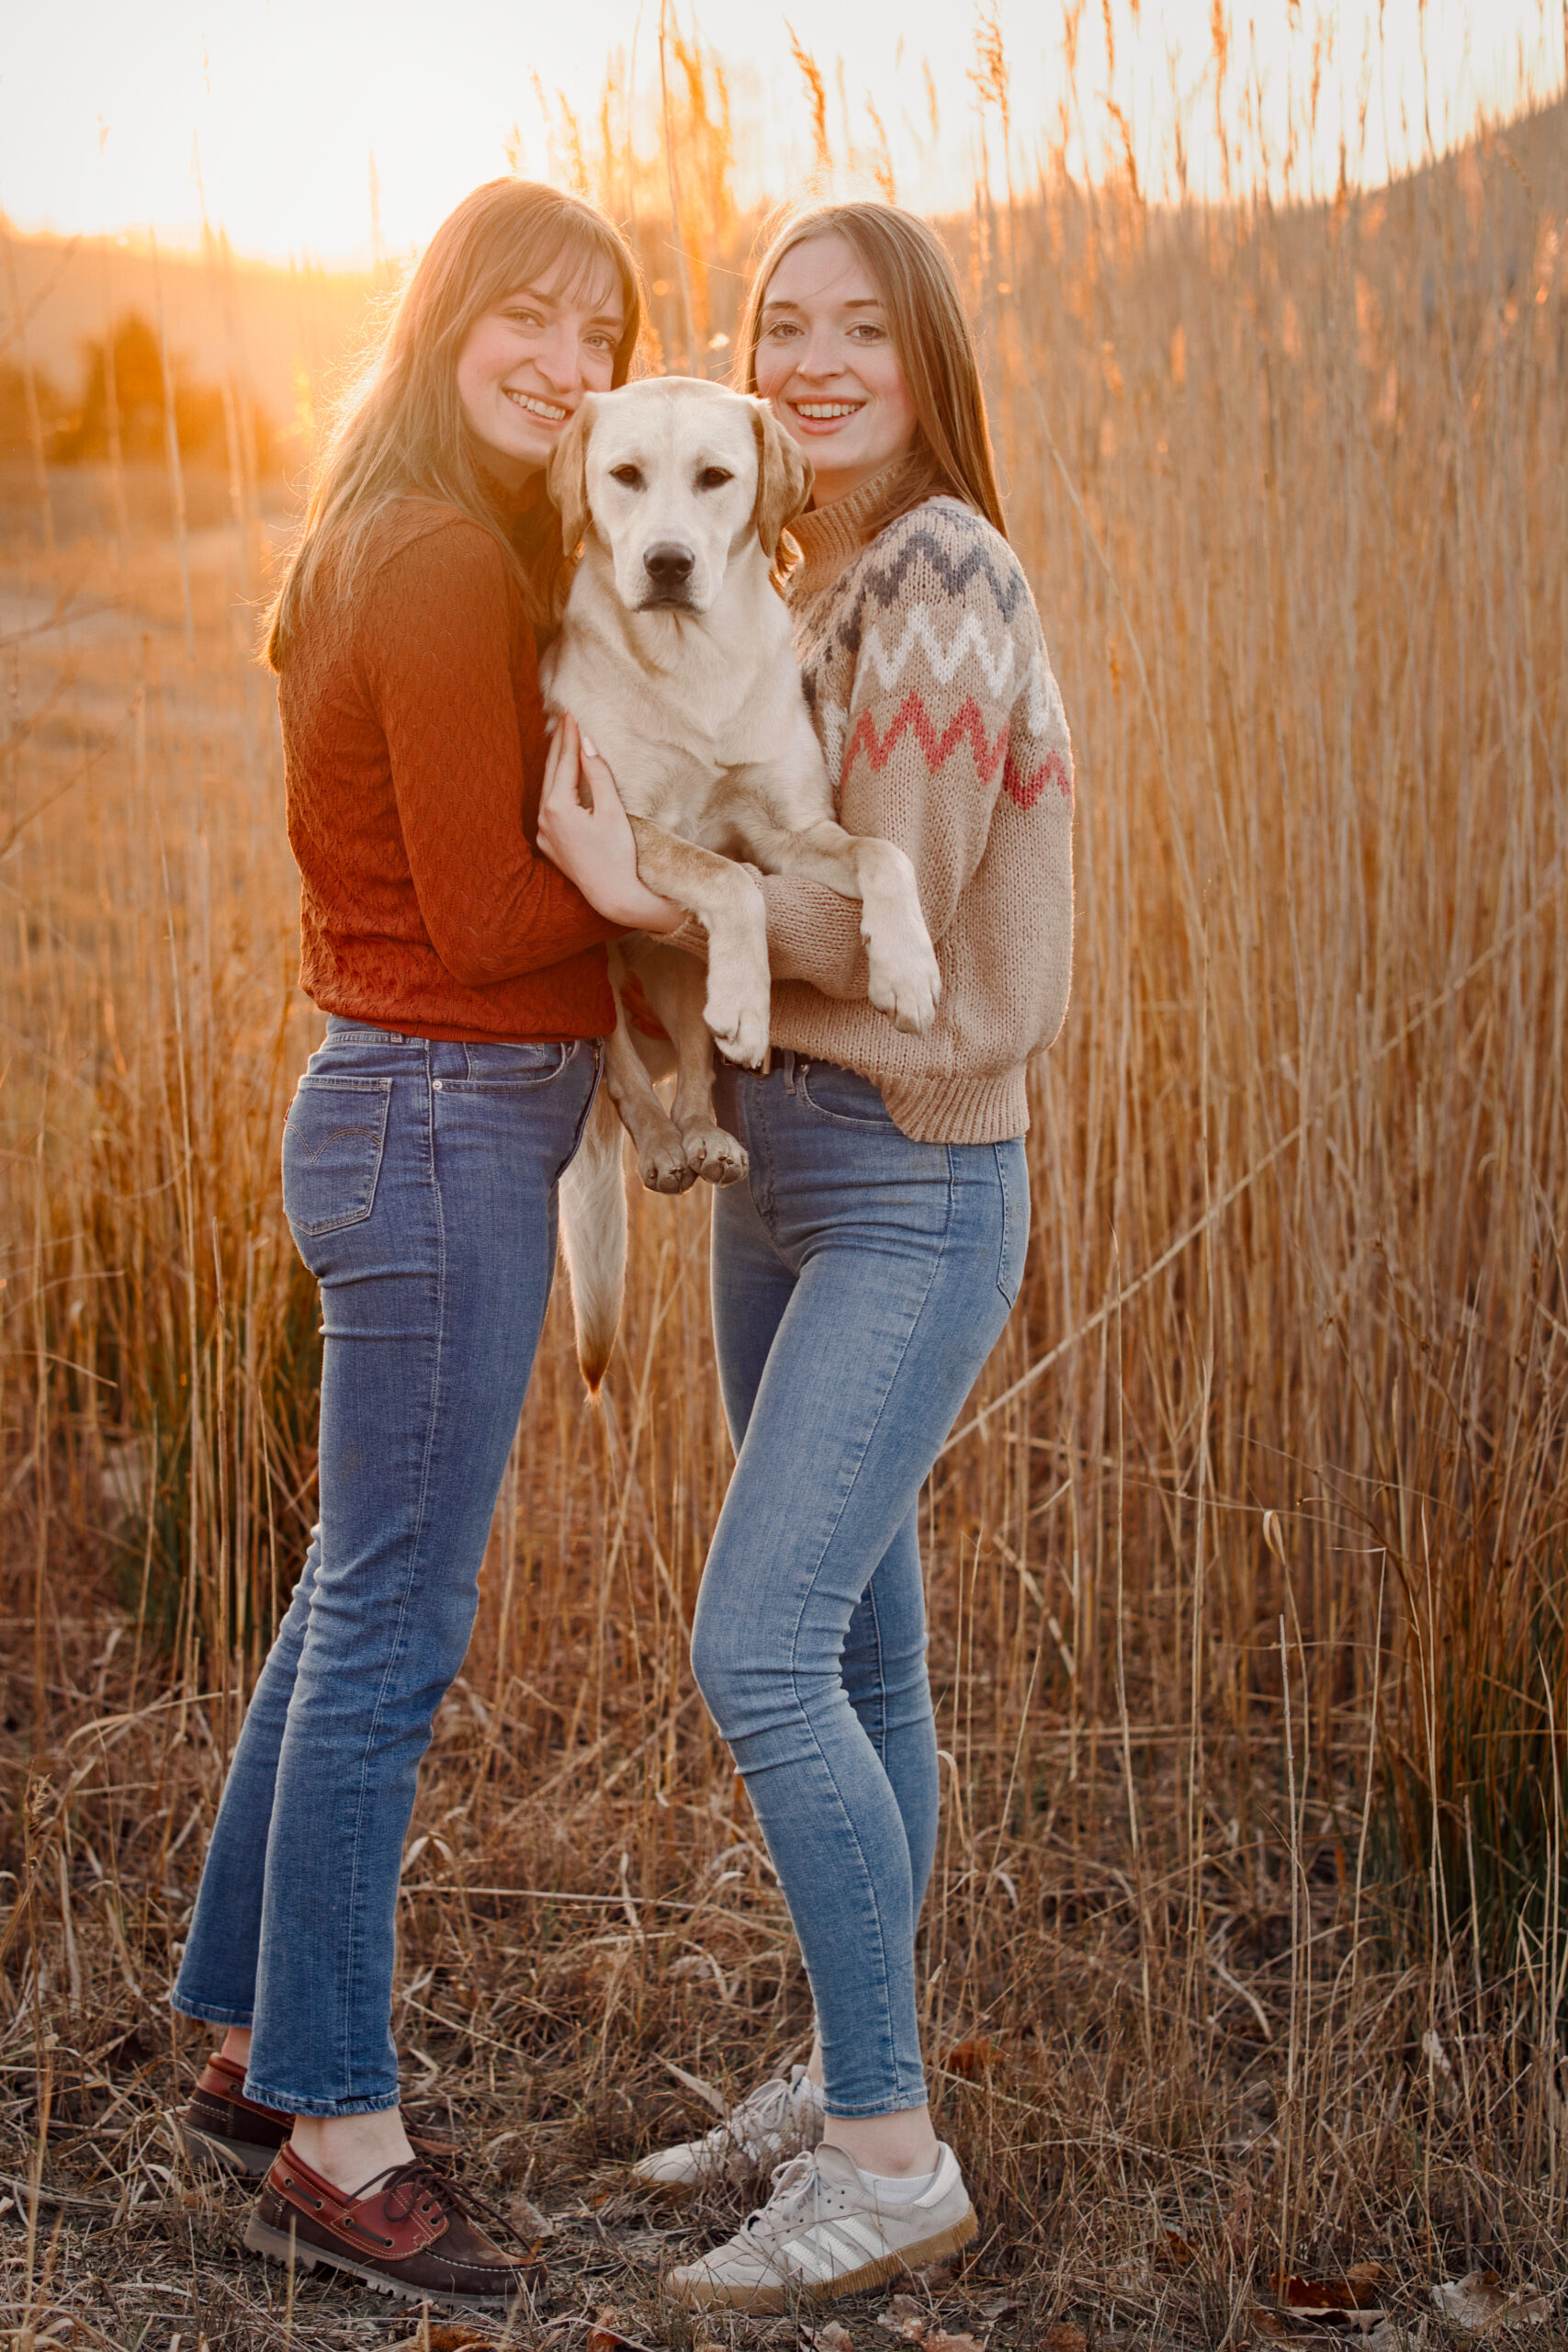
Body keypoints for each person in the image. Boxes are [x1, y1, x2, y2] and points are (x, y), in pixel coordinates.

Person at [540, 201, 1074, 2310]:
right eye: (787, 328)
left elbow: (895, 916)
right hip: (780, 1171)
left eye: (862, 328)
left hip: (910, 1176)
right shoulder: (792, 572)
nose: (821, 359)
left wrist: (640, 892)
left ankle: (882, 2154)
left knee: (754, 1643)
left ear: (923, 355)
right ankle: (838, 2065)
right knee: (862, 1657)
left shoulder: (940, 568)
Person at [169, 178, 681, 2312]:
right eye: (531, 321)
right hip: (443, 1124)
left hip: (392, 1109)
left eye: (603, 332)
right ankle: (334, 2119)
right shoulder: (453, 551)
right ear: (451, 313)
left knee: (343, 1600)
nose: (566, 364)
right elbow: (492, 914)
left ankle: (244, 2027)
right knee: (392, 1627)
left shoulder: (381, 524)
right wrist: (657, 885)